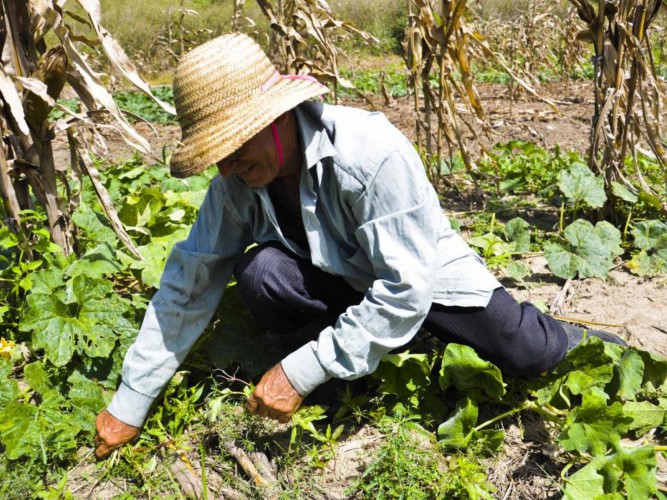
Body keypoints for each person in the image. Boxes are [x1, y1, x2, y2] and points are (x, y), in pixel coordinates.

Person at [93, 34, 626, 459]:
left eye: (233, 147)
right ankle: (366, 360)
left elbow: (405, 289)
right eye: (217, 156)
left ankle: (582, 340)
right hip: (347, 287)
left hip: (419, 278)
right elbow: (190, 282)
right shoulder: (235, 185)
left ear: (276, 119)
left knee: (526, 353)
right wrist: (131, 402)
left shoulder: (369, 154)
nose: (226, 167)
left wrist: (298, 369)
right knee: (261, 276)